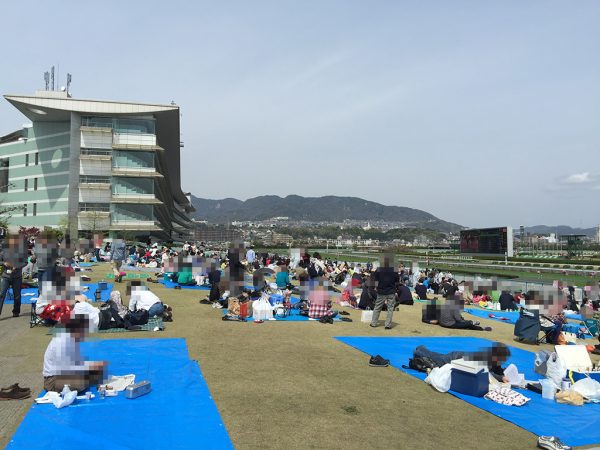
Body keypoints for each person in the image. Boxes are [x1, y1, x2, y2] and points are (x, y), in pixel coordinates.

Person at [42, 315, 107, 392]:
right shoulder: (61, 342)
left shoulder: (71, 339)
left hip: (65, 372)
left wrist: (92, 365)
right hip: (53, 379)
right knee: (81, 383)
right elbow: (66, 369)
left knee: (97, 371)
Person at [0, 234, 27, 318]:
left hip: (17, 277)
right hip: (5, 277)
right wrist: (4, 263)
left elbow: (25, 262)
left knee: (17, 295)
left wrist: (17, 266)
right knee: (1, 294)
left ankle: (16, 312)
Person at [370, 255, 400, 329]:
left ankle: (374, 322)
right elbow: (397, 281)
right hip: (391, 291)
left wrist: (376, 287)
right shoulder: (394, 270)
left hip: (381, 291)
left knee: (377, 307)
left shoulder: (379, 269)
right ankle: (388, 325)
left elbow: (375, 280)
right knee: (390, 308)